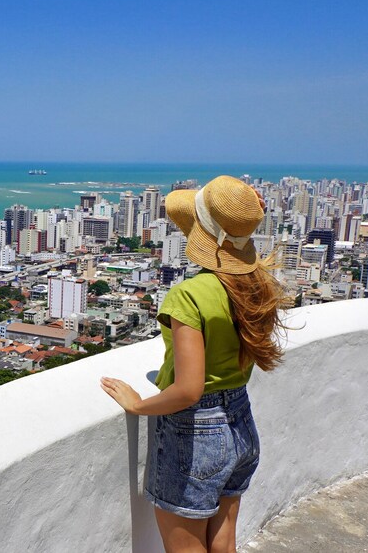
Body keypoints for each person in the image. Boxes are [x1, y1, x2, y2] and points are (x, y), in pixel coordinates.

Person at [100, 175, 289, 553]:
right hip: (241, 424)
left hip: (196, 435)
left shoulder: (188, 296)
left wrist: (137, 405)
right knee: (223, 541)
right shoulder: (257, 286)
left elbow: (188, 389)